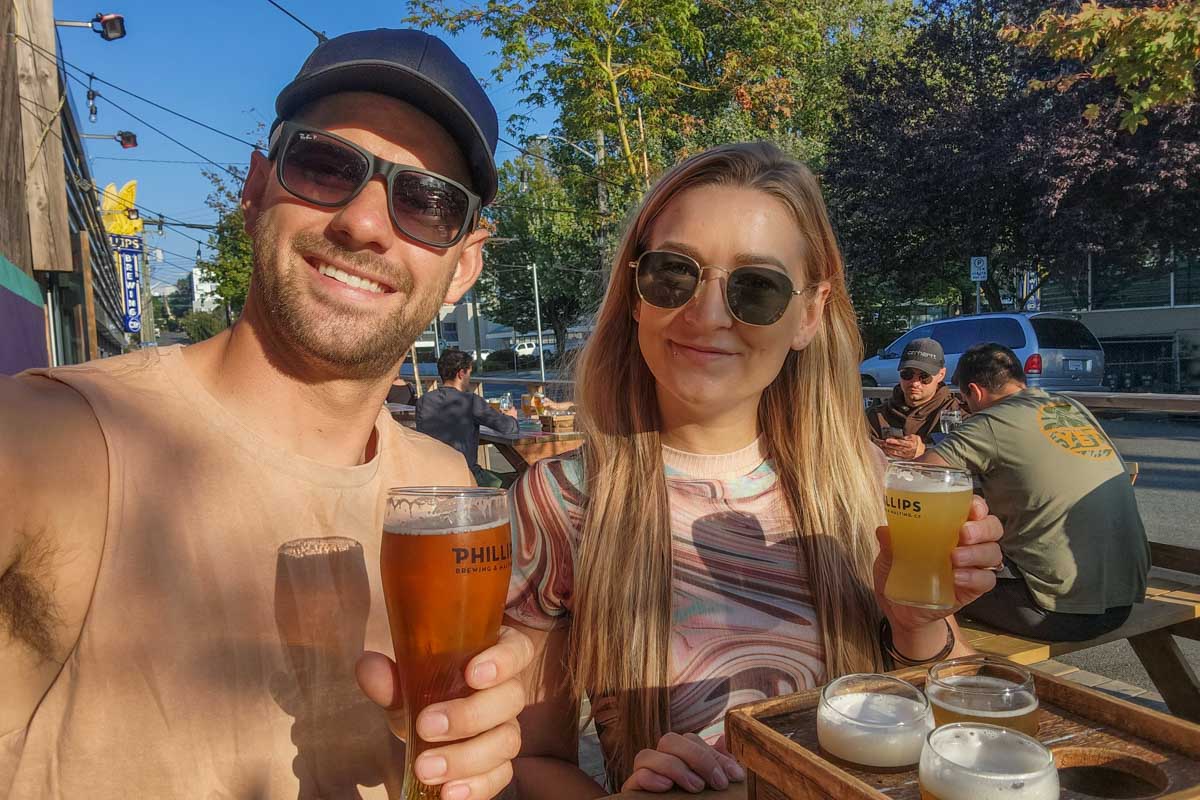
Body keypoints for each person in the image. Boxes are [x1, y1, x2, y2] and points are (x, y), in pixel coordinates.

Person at [0, 29, 532, 799]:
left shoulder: (446, 491)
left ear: (463, 268)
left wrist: (481, 763)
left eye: (427, 201)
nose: (366, 224)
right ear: (256, 190)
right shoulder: (54, 440)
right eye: (325, 167)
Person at [503, 143, 1005, 797]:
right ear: (634, 293)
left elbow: (963, 741)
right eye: (672, 274)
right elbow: (531, 760)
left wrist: (919, 627)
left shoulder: (870, 483)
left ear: (810, 313)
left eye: (757, 288)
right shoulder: (561, 500)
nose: (707, 315)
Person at [920, 343, 1150, 642]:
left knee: (917, 581)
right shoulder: (1069, 407)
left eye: (964, 402)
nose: (966, 410)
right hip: (1124, 601)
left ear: (974, 392)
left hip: (1054, 611)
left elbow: (920, 477)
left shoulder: (989, 422)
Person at [417, 349, 519, 487]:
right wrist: (512, 417)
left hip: (433, 477)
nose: (469, 379)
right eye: (469, 373)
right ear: (461, 373)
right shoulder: (469, 401)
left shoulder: (424, 401)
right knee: (518, 483)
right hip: (466, 476)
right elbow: (507, 428)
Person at [866, 338, 965, 459]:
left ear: (941, 375)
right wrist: (878, 449)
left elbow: (968, 457)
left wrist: (925, 452)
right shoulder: (877, 416)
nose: (915, 383)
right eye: (907, 374)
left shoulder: (958, 414)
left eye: (924, 376)